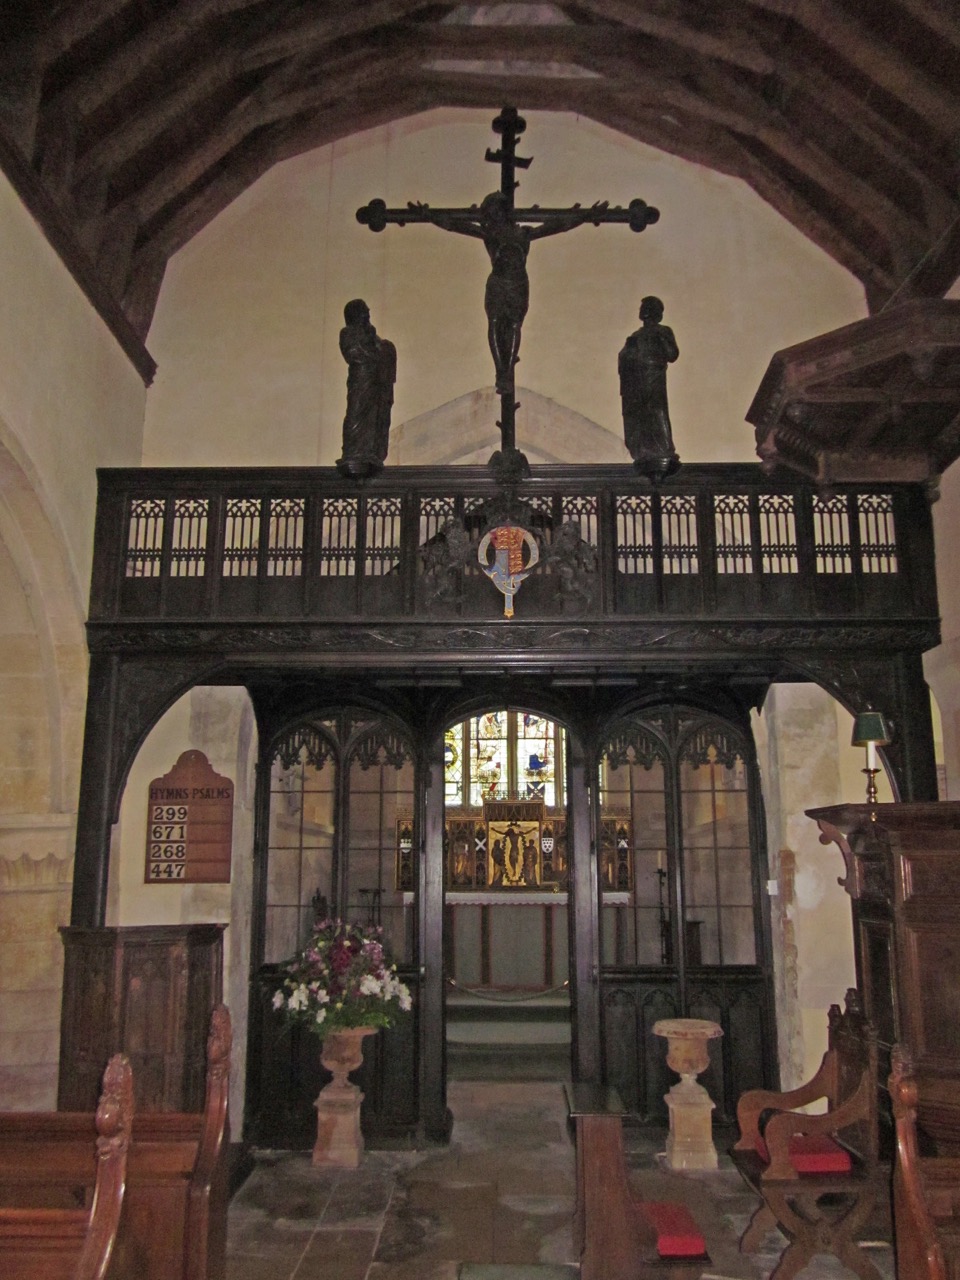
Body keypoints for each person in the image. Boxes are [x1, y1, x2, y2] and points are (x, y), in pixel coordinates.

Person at [422, 191, 584, 395]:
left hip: (518, 284)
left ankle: (506, 371)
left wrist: (586, 216)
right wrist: (428, 215)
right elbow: (455, 225)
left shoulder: (523, 233)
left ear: (503, 211)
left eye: (493, 211)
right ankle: (502, 372)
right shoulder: (490, 234)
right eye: (489, 213)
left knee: (515, 324)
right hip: (498, 283)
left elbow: (557, 226)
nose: (491, 216)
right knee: (495, 323)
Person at [618, 295, 680, 480]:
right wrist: (628, 352)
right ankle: (643, 449)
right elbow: (624, 359)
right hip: (636, 381)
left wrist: (659, 337)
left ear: (657, 313)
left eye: (647, 307)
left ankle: (663, 448)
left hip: (654, 375)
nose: (643, 310)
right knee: (639, 415)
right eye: (642, 307)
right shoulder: (635, 336)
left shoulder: (664, 331)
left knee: (657, 411)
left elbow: (672, 354)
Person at [337, 299, 396, 477]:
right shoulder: (348, 332)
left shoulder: (374, 336)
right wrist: (373, 352)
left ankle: (371, 450)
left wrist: (383, 349)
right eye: (364, 311)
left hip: (374, 384)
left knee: (374, 416)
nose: (367, 314)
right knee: (356, 414)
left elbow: (383, 354)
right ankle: (353, 450)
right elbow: (353, 352)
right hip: (360, 381)